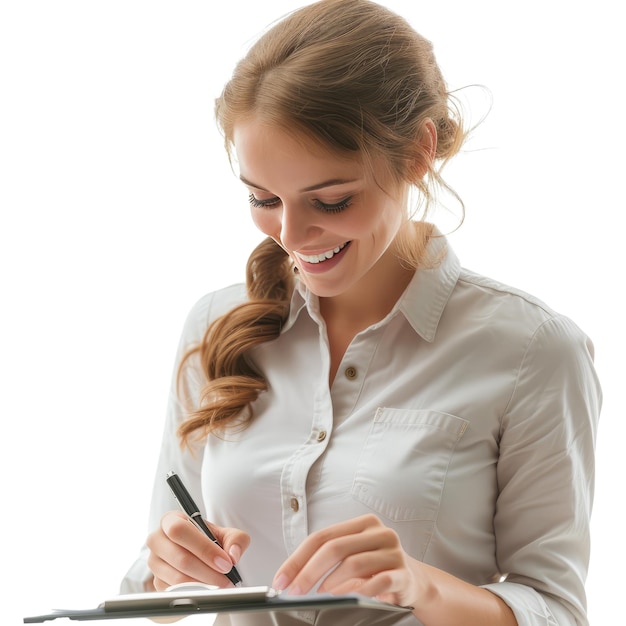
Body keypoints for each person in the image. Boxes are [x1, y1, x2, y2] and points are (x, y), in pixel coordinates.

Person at [121, 1, 601, 624]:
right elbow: (150, 575)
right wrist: (165, 568)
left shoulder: (534, 350)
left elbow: (556, 609)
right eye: (263, 198)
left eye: (332, 199)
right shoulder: (216, 322)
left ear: (418, 152)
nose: (291, 234)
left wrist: (422, 587)